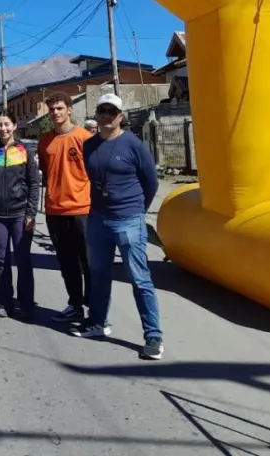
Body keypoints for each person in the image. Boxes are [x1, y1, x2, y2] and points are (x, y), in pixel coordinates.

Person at [72, 93, 164, 361]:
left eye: (112, 111)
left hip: (128, 219)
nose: (106, 115)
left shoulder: (134, 145)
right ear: (96, 113)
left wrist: (136, 211)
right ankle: (97, 323)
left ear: (120, 116)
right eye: (102, 110)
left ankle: (153, 336)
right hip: (98, 219)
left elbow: (151, 184)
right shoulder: (89, 146)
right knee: (98, 273)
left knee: (139, 277)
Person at [38, 92, 93, 324]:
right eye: (52, 109)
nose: (56, 113)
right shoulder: (45, 141)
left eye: (60, 108)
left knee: (89, 262)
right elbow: (44, 173)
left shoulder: (85, 138)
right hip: (54, 210)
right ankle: (75, 304)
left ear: (69, 109)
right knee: (67, 263)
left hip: (83, 209)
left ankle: (95, 308)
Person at [0, 111, 39, 319]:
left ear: (14, 126)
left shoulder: (24, 152)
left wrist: (31, 212)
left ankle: (26, 302)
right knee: (2, 259)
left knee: (23, 259)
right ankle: (5, 301)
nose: (3, 128)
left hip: (20, 214)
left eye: (7, 124)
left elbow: (34, 183)